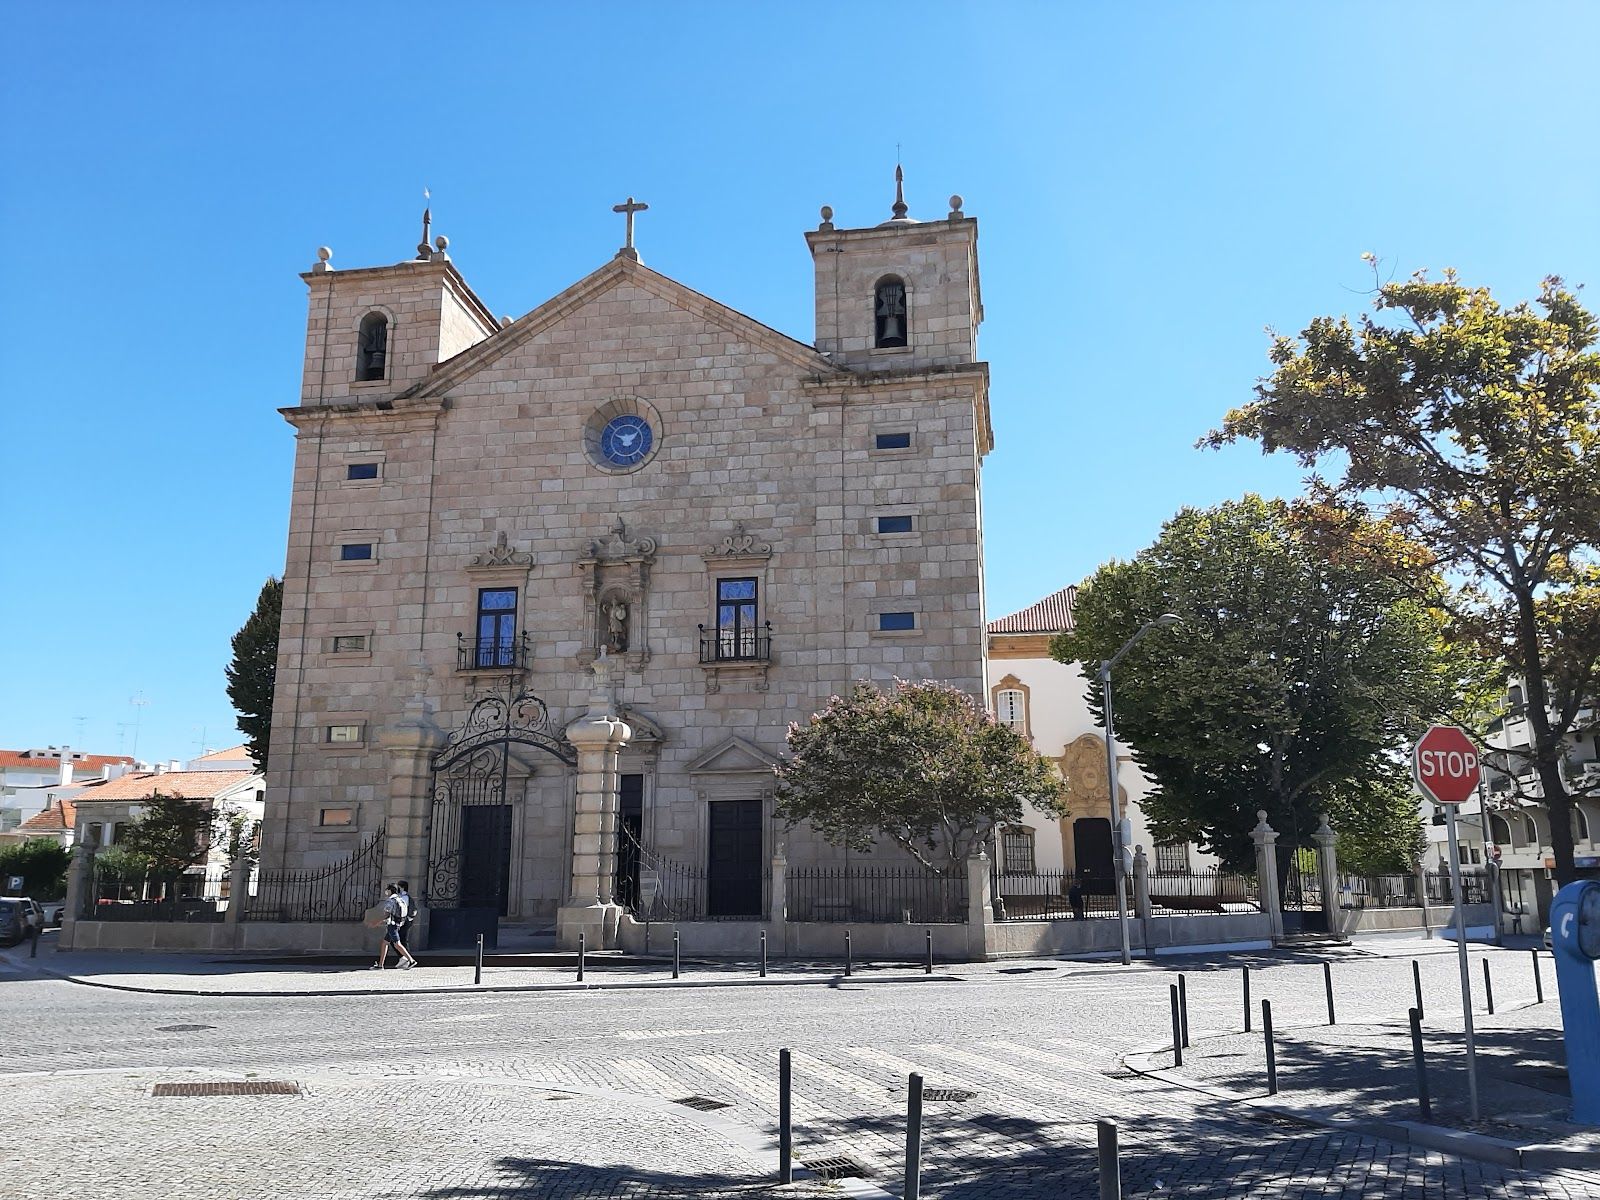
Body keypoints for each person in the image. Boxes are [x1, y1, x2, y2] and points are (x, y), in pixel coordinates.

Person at [372, 884, 417, 970]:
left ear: (390, 890)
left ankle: (411, 960)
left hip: (392, 925)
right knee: (385, 943)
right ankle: (380, 965)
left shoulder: (391, 900)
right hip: (397, 924)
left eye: (387, 889)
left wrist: (377, 922)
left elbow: (387, 914)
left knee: (397, 944)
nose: (386, 891)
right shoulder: (400, 899)